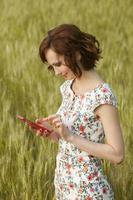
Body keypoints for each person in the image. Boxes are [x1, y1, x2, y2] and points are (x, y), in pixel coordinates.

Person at [36, 24, 125, 200]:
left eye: (58, 64)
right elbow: (73, 142)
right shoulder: (69, 87)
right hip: (64, 185)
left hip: (89, 191)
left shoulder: (102, 97)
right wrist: (54, 133)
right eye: (52, 66)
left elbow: (117, 155)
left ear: (76, 53)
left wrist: (70, 136)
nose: (56, 72)